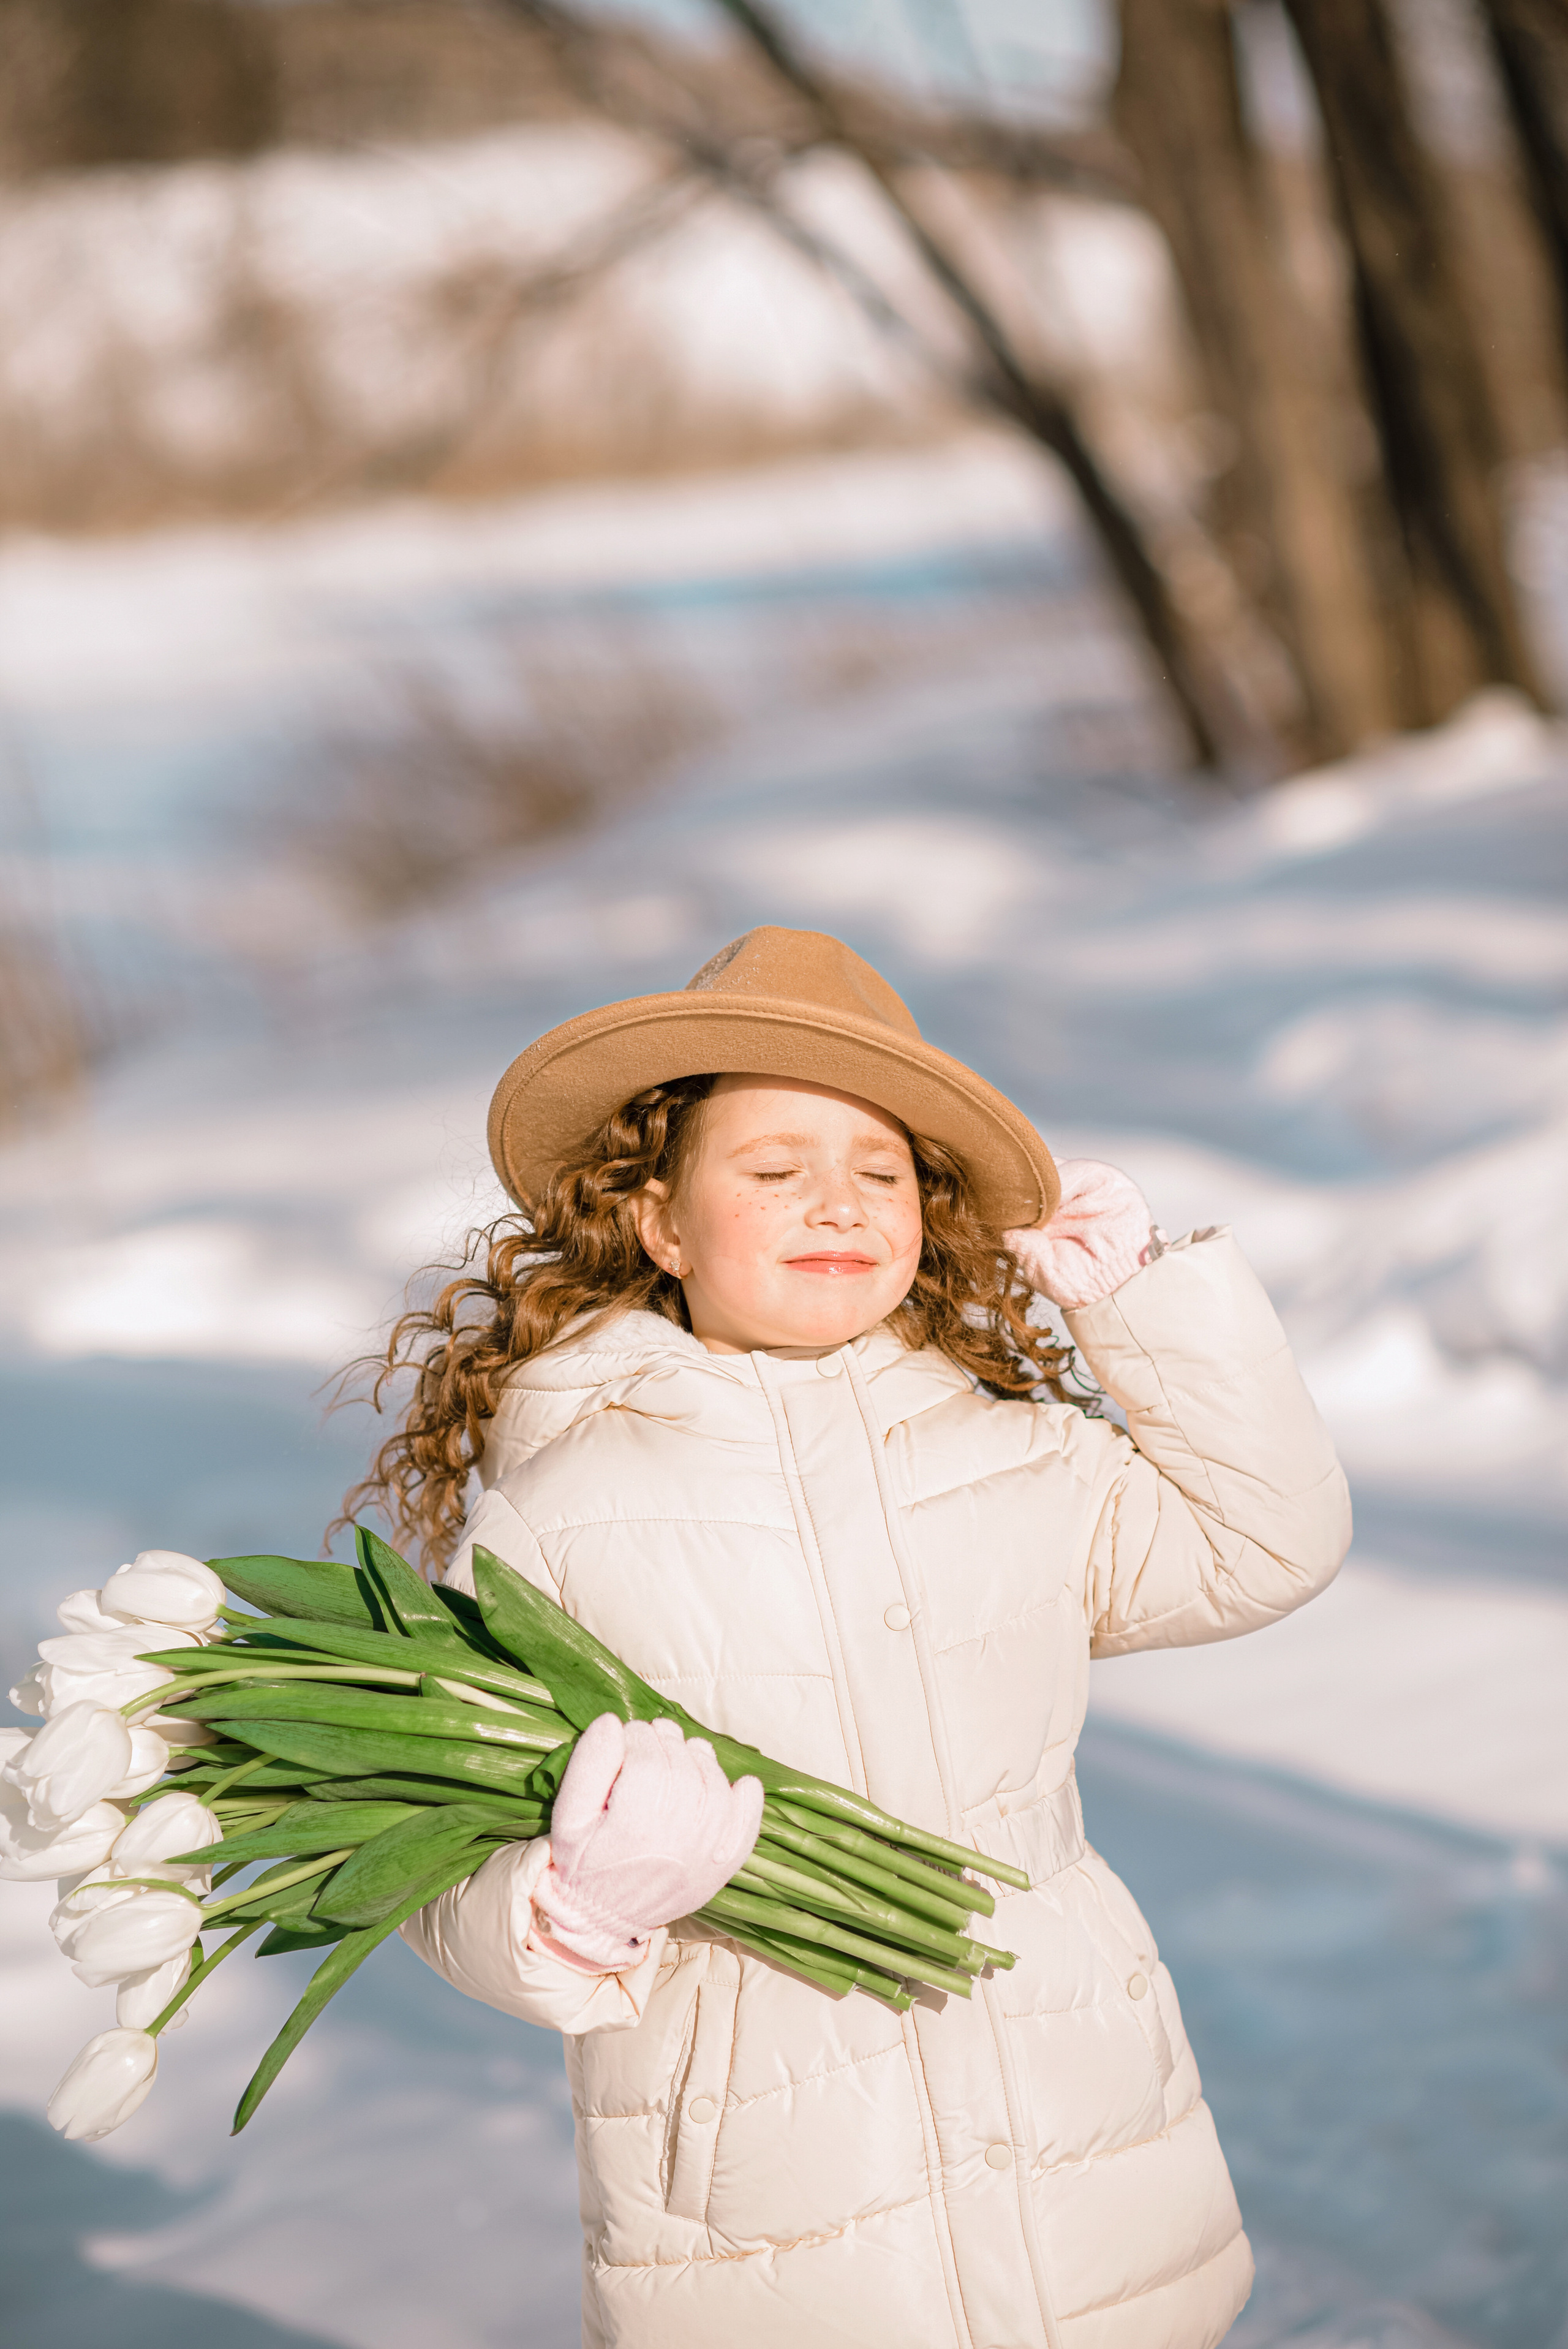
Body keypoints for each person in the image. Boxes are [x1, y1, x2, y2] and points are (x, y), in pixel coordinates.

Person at [353, 926, 1350, 2349]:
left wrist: (1138, 1306)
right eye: (773, 1171)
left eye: (880, 1174)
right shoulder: (566, 1509)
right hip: (768, 2220)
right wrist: (570, 1905)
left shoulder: (1012, 1460)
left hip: (1082, 2162)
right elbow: (434, 1846)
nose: (837, 1202)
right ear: (659, 1223)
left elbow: (1265, 1545)